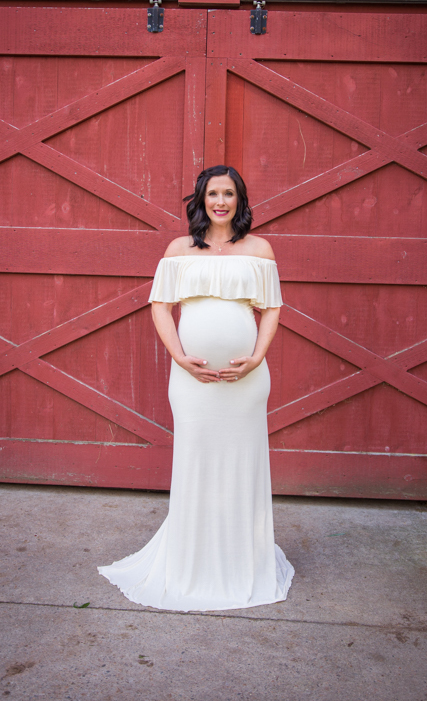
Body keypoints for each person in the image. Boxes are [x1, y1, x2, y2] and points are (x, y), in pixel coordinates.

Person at [98, 165, 294, 611]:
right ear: (201, 201)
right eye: (212, 194)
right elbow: (161, 308)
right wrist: (180, 358)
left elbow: (273, 309)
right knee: (196, 463)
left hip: (246, 382)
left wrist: (258, 357)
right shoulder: (179, 248)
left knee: (242, 466)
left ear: (240, 200)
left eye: (228, 194)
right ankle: (193, 564)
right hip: (191, 382)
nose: (220, 201)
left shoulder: (260, 249)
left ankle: (244, 562)